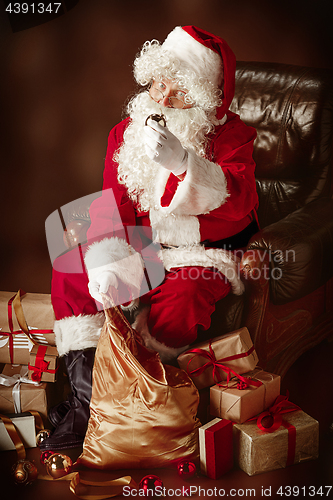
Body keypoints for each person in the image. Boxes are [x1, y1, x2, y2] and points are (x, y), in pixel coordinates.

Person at [41, 25, 259, 450]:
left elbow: (240, 204)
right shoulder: (125, 132)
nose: (160, 98)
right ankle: (88, 405)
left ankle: (136, 393)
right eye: (157, 82)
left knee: (185, 294)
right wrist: (107, 258)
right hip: (142, 243)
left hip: (203, 250)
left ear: (202, 98)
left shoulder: (233, 137)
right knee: (72, 267)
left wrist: (183, 163)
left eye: (175, 91)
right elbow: (113, 202)